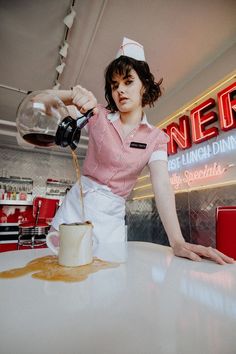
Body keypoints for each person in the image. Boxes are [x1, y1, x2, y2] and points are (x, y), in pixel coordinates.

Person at [46, 37, 234, 265]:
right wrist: (71, 94)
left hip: (111, 219)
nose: (120, 91)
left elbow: (163, 185)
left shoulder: (156, 139)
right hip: (75, 210)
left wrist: (177, 241)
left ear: (144, 84)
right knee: (56, 272)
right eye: (115, 85)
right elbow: (40, 102)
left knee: (103, 286)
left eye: (128, 82)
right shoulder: (97, 115)